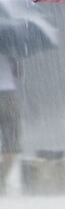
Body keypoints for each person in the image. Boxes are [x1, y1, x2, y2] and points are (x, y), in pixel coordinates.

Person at [0, 52, 22, 193]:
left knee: (10, 142)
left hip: (9, 96)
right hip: (9, 96)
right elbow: (19, 74)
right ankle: (2, 177)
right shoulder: (12, 49)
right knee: (10, 142)